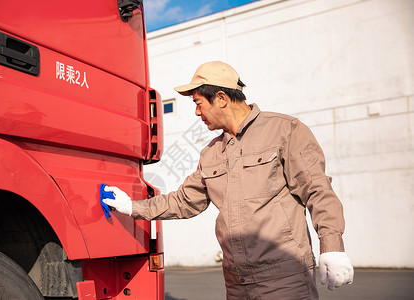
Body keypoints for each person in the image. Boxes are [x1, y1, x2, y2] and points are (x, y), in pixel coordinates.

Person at [103, 61, 354, 299]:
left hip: (283, 277)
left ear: (221, 98)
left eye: (199, 103)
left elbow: (317, 190)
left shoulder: (284, 130)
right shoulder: (212, 153)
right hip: (236, 282)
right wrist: (132, 207)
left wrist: (332, 246)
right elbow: (183, 201)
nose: (196, 111)